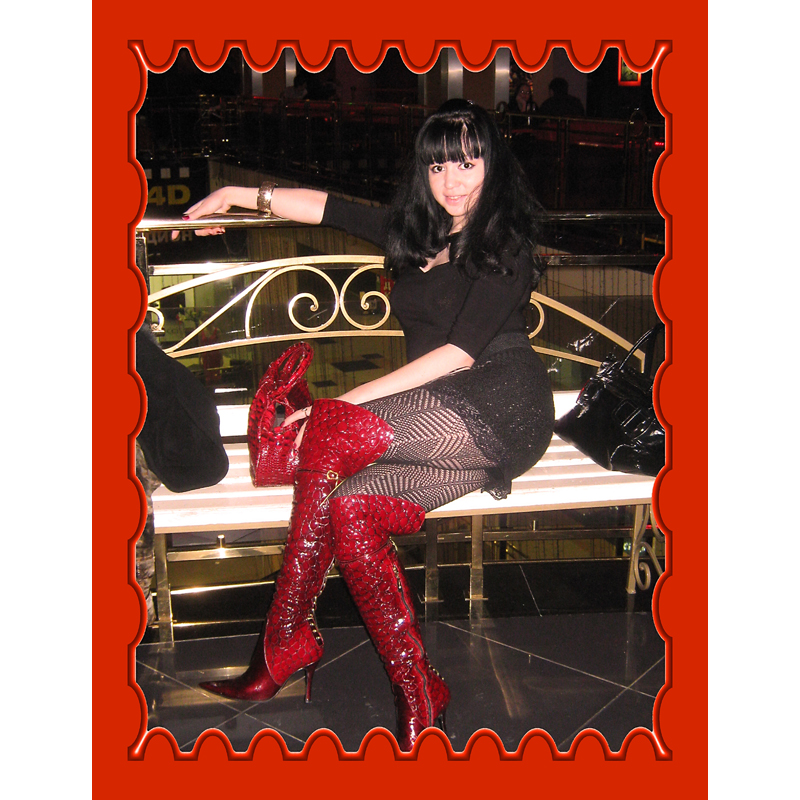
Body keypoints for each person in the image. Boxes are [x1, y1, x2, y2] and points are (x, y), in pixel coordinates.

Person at [179, 99, 555, 751]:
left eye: (468, 163)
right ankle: (419, 689)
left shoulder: (506, 239)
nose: (452, 181)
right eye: (438, 166)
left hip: (503, 401)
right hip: (440, 417)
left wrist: (344, 402)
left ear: (492, 165)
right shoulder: (413, 231)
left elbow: (459, 354)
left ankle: (283, 641)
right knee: (351, 506)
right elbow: (325, 207)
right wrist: (238, 194)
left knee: (328, 430)